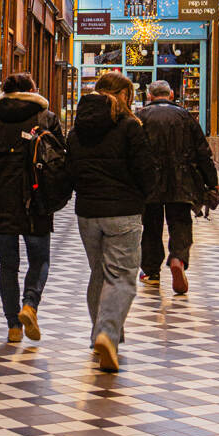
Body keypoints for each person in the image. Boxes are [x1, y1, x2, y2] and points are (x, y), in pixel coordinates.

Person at [66, 71, 157, 372]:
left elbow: (71, 170)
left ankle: (101, 336)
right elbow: (146, 171)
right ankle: (107, 334)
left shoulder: (76, 130)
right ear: (122, 96)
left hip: (88, 213)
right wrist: (143, 195)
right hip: (124, 212)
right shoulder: (131, 127)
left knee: (99, 273)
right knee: (120, 276)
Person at [0, 72, 63, 343]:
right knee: (39, 260)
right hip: (36, 202)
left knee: (8, 266)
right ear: (32, 90)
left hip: (1, 202)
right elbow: (60, 161)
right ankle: (30, 303)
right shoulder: (47, 118)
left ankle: (13, 326)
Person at [137, 79, 219, 295]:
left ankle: (151, 272)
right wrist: (212, 183)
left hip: (149, 182)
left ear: (149, 96)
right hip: (182, 181)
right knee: (181, 223)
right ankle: (178, 259)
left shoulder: (141, 117)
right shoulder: (185, 116)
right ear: (171, 95)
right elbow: (203, 153)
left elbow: (132, 152)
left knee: (151, 227)